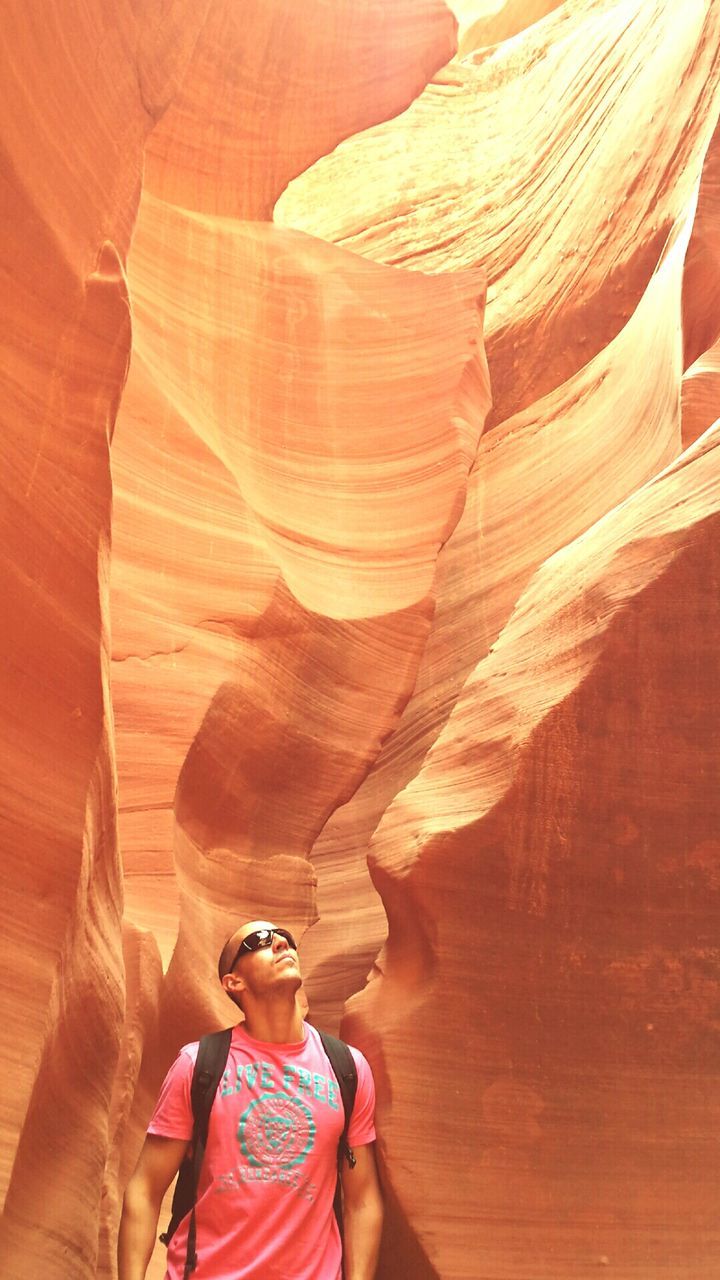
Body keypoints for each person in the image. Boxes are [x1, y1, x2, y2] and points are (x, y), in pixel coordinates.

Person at [118, 920, 383, 1280]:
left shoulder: (347, 1068)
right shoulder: (199, 1066)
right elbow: (145, 1189)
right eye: (259, 941)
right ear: (233, 982)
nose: (279, 943)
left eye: (285, 938)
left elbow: (362, 1200)